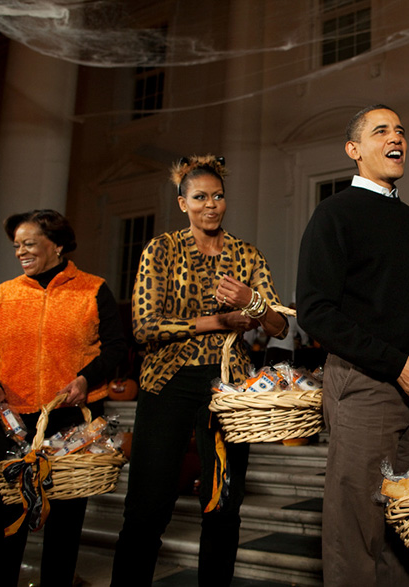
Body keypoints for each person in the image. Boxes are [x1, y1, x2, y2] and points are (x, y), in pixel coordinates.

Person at [296, 104, 409, 586]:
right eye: (381, 130)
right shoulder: (333, 215)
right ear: (354, 150)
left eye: (401, 131)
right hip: (366, 385)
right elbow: (315, 310)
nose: (397, 137)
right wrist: (396, 365)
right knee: (357, 529)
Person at [110, 155, 288, 585]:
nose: (211, 205)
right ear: (182, 202)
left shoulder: (247, 255)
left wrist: (253, 302)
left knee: (224, 504)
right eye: (200, 197)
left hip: (229, 387)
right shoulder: (162, 250)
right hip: (166, 382)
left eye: (218, 196)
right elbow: (144, 328)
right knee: (148, 507)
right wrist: (217, 321)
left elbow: (280, 325)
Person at [0, 209, 127, 587]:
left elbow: (116, 348)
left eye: (29, 243)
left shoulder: (93, 289)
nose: (20, 252)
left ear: (57, 245)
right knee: (6, 518)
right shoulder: (5, 293)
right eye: (16, 246)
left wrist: (84, 379)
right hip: (15, 423)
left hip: (71, 423)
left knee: (65, 521)